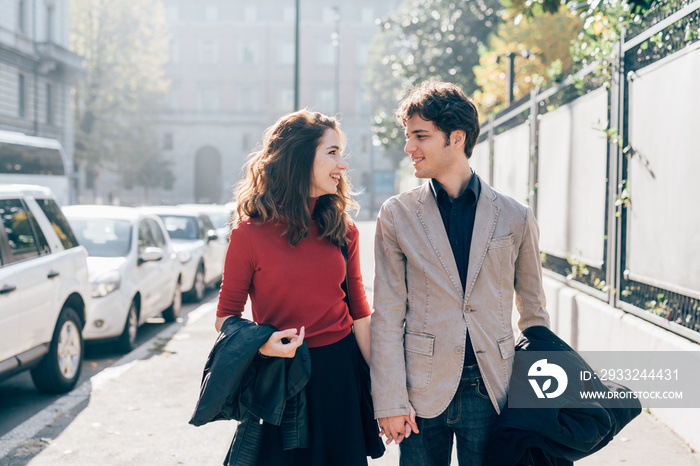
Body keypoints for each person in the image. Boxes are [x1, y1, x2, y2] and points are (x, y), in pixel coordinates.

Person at [370, 79, 551, 465]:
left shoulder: (516, 217)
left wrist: (538, 400)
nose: (409, 147)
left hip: (493, 389)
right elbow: (387, 314)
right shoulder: (396, 215)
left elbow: (535, 316)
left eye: (420, 136)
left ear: (456, 137)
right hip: (420, 393)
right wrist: (389, 399)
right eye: (408, 136)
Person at [215, 109, 383, 466]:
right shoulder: (249, 234)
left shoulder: (343, 229)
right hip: (282, 379)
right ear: (300, 156)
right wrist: (264, 344)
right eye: (333, 152)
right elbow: (226, 317)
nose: (343, 164)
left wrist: (384, 388)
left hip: (341, 374)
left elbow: (360, 314)